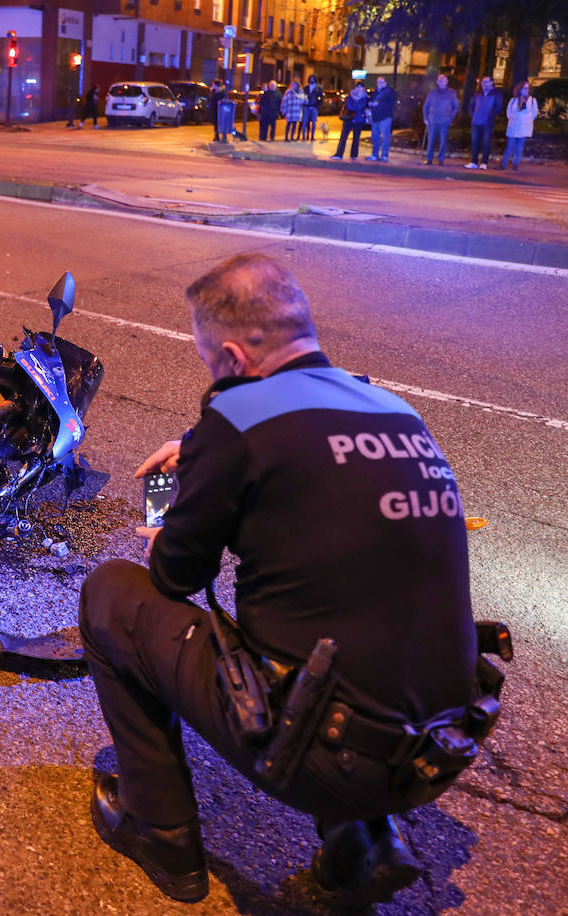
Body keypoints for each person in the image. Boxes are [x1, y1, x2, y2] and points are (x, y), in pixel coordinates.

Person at [80, 253, 482, 906]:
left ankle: (161, 831)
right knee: (349, 607)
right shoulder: (394, 409)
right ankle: (365, 840)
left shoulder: (237, 424)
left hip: (324, 753)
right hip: (440, 741)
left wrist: (176, 513)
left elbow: (175, 576)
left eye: (211, 362)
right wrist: (203, 447)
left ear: (233, 357)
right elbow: (314, 457)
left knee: (112, 593)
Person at [466, 75, 503, 170]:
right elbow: (471, 105)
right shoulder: (478, 93)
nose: (484, 84)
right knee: (474, 142)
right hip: (476, 122)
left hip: (487, 122)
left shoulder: (496, 94)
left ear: (491, 83)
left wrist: (490, 115)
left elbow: (498, 108)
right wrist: (472, 115)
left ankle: (484, 162)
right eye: (483, 82)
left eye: (486, 82)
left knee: (486, 142)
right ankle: (474, 162)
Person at [500, 81, 538, 171]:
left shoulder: (532, 100)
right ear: (519, 89)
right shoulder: (513, 100)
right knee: (510, 146)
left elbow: (534, 113)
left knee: (520, 147)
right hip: (513, 126)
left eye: (527, 88)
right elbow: (508, 112)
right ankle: (503, 164)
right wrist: (514, 119)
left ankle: (515, 164)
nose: (526, 90)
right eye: (524, 88)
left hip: (524, 127)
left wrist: (526, 120)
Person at [422, 74, 459, 165]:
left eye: (443, 80)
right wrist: (426, 118)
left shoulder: (451, 93)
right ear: (437, 82)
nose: (442, 82)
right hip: (433, 120)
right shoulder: (432, 93)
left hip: (444, 121)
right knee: (431, 140)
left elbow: (456, 107)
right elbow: (426, 106)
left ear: (447, 82)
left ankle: (440, 159)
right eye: (440, 81)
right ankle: (429, 159)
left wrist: (450, 117)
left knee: (443, 140)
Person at [329, 81, 369, 160]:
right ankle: (339, 154)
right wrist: (356, 107)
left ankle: (353, 155)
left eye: (361, 87)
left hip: (359, 119)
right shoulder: (350, 96)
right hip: (348, 119)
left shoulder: (365, 97)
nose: (359, 89)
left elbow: (361, 105)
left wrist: (356, 107)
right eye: (357, 87)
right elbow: (349, 105)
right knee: (343, 137)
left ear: (363, 88)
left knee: (356, 138)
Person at [365, 76, 396, 162]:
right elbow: (370, 101)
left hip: (385, 118)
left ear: (385, 83)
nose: (379, 83)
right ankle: (375, 155)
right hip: (375, 118)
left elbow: (391, 104)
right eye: (378, 82)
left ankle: (384, 156)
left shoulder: (389, 92)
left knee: (385, 137)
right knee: (375, 137)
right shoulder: (375, 92)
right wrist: (370, 104)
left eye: (381, 82)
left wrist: (377, 104)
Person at [302, 76, 322, 141]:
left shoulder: (318, 88)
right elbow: (303, 96)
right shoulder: (306, 88)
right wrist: (304, 104)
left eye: (313, 79)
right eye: (310, 79)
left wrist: (317, 106)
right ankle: (303, 136)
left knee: (313, 122)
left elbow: (321, 98)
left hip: (314, 107)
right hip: (306, 107)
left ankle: (312, 136)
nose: (311, 80)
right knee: (304, 122)